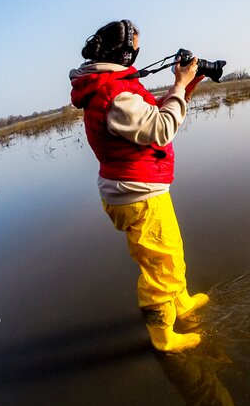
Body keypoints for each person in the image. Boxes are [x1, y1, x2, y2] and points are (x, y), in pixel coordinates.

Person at [69, 19, 207, 353]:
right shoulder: (114, 94)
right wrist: (177, 87)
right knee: (161, 264)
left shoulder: (111, 85)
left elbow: (146, 112)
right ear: (126, 52)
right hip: (137, 193)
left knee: (169, 251)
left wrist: (185, 86)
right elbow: (160, 129)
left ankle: (181, 300)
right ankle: (163, 337)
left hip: (140, 187)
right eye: (137, 49)